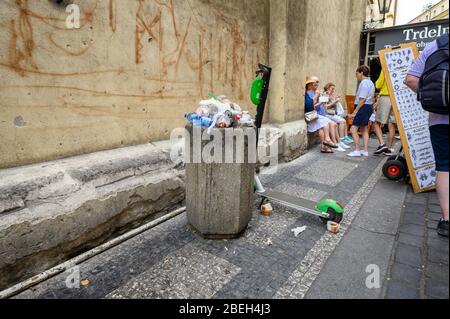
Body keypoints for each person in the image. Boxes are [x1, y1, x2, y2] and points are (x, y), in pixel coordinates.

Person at [405, 34, 449, 238]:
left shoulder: (434, 46)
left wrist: (431, 95)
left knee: (445, 166)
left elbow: (410, 79)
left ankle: (447, 219)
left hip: (440, 119)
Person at [304, 76, 344, 153]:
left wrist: (322, 100)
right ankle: (329, 141)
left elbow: (318, 105)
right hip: (311, 115)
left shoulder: (314, 93)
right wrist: (317, 97)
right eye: (314, 84)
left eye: (316, 84)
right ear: (309, 85)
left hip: (318, 114)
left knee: (325, 125)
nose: (316, 85)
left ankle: (325, 146)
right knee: (326, 123)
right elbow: (311, 106)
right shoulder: (308, 94)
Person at [347, 66, 375, 157]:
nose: (356, 76)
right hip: (368, 107)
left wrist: (355, 112)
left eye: (356, 73)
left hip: (363, 107)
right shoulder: (370, 82)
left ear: (361, 73)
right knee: (364, 129)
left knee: (353, 129)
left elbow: (362, 100)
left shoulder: (364, 83)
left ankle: (357, 150)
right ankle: (365, 150)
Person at [373, 70, 397, 156]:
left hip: (385, 97)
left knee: (376, 123)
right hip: (396, 97)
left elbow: (378, 85)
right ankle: (389, 148)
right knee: (392, 124)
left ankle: (382, 144)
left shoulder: (385, 68)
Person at [323, 83, 353, 147]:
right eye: (332, 88)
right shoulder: (325, 95)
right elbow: (326, 107)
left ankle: (345, 136)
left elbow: (333, 105)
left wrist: (335, 99)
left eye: (334, 89)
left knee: (344, 120)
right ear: (328, 88)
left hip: (333, 113)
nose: (333, 90)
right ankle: (342, 138)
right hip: (327, 114)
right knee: (342, 121)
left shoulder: (331, 95)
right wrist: (334, 101)